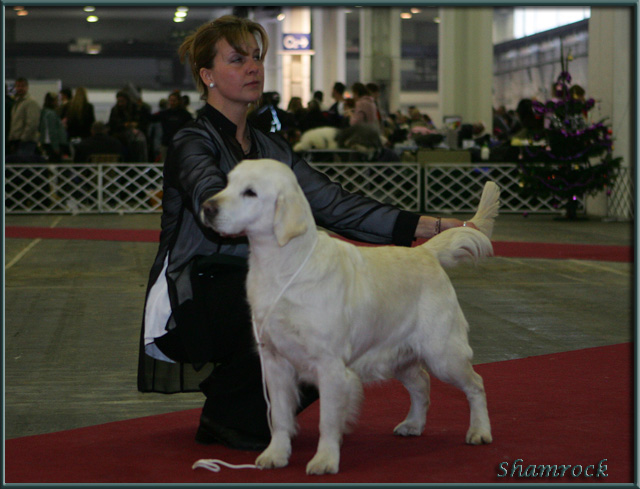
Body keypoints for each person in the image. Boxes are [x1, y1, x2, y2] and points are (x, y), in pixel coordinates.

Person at [138, 14, 473, 453]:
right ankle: (229, 407)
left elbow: (334, 204)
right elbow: (211, 203)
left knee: (333, 325)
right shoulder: (191, 141)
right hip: (196, 291)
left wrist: (430, 225)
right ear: (208, 76)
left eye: (256, 58)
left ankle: (238, 398)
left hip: (262, 282)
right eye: (237, 60)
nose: (253, 67)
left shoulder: (273, 149)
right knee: (300, 322)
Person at [149, 90, 193, 161]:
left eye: (174, 101)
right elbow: (151, 118)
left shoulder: (185, 115)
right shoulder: (164, 113)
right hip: (166, 143)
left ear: (179, 101)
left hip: (180, 144)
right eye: (170, 100)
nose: (172, 103)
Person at [8, 77, 41, 156]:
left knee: (24, 162)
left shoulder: (31, 102)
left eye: (22, 86)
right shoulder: (17, 102)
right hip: (16, 140)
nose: (20, 88)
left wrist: (24, 138)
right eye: (18, 86)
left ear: (27, 87)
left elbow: (32, 123)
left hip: (27, 141)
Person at [39, 92, 68, 162]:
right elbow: (52, 131)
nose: (58, 102)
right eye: (57, 100)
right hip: (52, 144)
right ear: (52, 102)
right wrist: (56, 147)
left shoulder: (44, 112)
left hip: (47, 142)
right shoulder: (51, 114)